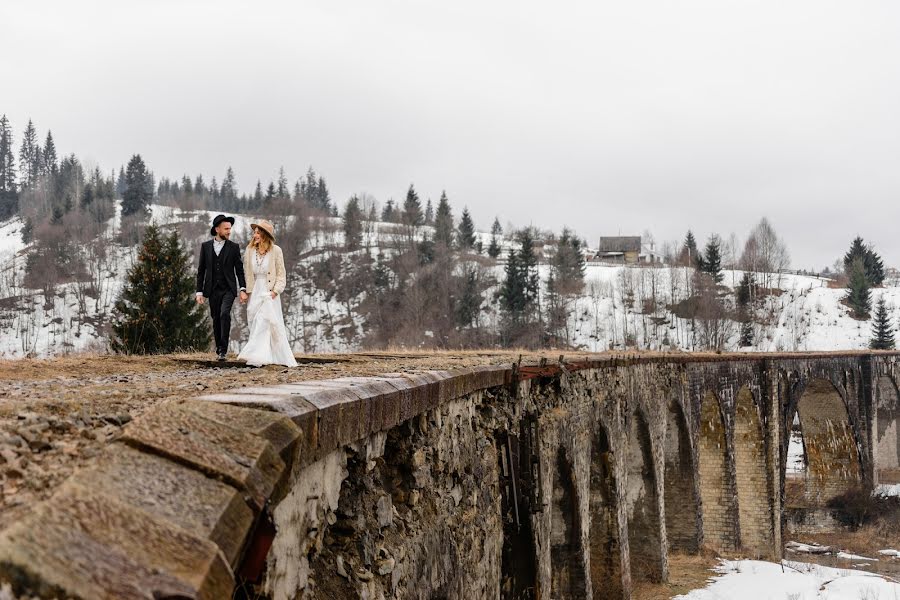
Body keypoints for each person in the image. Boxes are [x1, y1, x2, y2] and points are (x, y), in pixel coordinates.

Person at [237, 219, 298, 367]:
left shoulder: (276, 251)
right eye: (254, 232)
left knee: (264, 322)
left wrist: (275, 292)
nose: (255, 235)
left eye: (258, 233)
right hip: (254, 291)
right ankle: (265, 355)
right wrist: (244, 291)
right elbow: (246, 273)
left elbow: (281, 275)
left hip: (269, 293)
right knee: (254, 321)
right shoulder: (249, 250)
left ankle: (258, 358)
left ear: (265, 235)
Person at [196, 214, 248, 361]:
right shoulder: (205, 247)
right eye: (226, 229)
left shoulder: (233, 248)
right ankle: (219, 348)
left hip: (228, 289)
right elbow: (201, 271)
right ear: (217, 229)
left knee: (224, 314)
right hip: (212, 289)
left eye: (230, 228)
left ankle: (223, 350)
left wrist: (242, 288)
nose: (228, 231)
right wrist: (199, 291)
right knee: (215, 318)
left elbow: (239, 269)